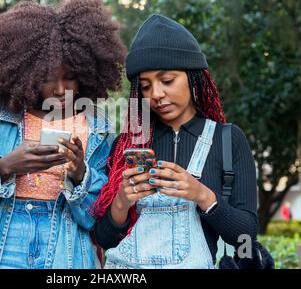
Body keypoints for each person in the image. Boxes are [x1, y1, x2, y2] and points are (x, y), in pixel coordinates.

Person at [0, 0, 126, 269]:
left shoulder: (99, 128)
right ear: (28, 73)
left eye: (70, 77)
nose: (60, 89)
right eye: (48, 78)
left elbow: (97, 217)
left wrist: (80, 174)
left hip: (65, 250)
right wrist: (5, 166)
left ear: (87, 72)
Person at [92, 14, 258, 269]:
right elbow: (104, 239)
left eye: (167, 81)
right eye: (146, 87)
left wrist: (202, 195)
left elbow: (246, 237)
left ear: (193, 78)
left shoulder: (227, 140)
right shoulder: (126, 146)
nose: (157, 94)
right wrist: (122, 202)